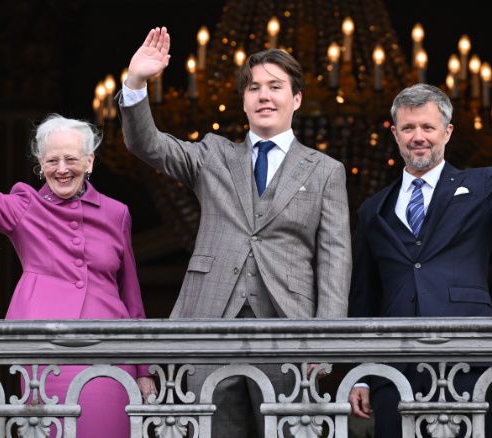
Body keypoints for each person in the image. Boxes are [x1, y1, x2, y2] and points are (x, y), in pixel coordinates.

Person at [118, 28, 351, 437]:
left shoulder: (324, 170)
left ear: (295, 99)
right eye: (255, 88)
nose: (264, 96)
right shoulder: (214, 154)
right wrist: (136, 83)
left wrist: (326, 335)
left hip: (289, 329)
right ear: (243, 101)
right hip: (209, 323)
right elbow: (148, 145)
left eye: (275, 87)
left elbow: (335, 258)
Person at [0, 75, 156, 437]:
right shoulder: (25, 207)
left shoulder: (116, 213)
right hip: (47, 352)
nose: (62, 169)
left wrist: (144, 370)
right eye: (52, 160)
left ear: (89, 161)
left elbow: (131, 296)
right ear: (40, 164)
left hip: (109, 351)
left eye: (71, 159)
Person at [347, 74, 492, 437]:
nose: (418, 136)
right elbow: (364, 297)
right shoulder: (373, 209)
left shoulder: (482, 185)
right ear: (395, 134)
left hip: (465, 362)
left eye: (428, 126)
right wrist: (362, 373)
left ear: (447, 132)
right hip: (394, 369)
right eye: (408, 127)